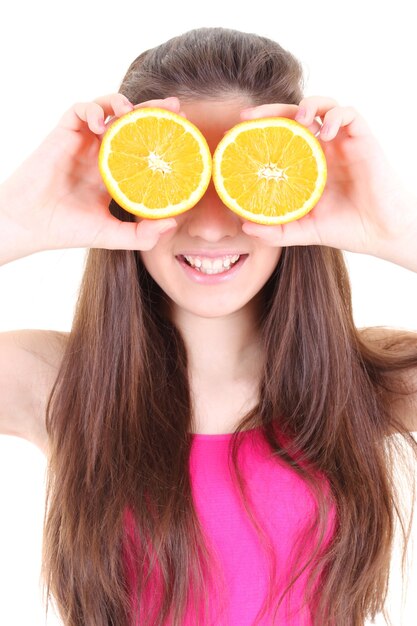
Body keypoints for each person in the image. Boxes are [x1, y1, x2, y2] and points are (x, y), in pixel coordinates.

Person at [0, 26, 416, 626]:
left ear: (296, 189)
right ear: (127, 190)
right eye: (178, 180)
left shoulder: (366, 384)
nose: (213, 226)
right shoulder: (57, 384)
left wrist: (400, 229)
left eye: (245, 180)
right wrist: (17, 221)